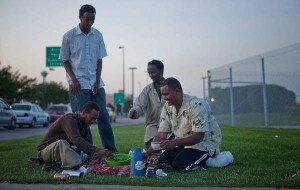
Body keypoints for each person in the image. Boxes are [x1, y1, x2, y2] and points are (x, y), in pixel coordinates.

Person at [59, 4, 117, 152]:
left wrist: (97, 81)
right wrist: (74, 80)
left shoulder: (98, 35)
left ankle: (110, 149)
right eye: (87, 19)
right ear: (80, 17)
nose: (90, 22)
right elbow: (65, 59)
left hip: (95, 83)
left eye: (93, 19)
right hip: (78, 84)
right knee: (82, 119)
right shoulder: (69, 36)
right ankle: (88, 151)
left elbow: (99, 59)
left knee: (103, 115)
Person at [143, 77, 222, 172]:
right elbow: (161, 134)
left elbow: (199, 137)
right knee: (162, 162)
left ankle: (211, 159)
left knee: (179, 164)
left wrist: (174, 142)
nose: (164, 98)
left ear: (177, 91)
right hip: (182, 144)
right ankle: (191, 158)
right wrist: (147, 154)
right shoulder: (167, 107)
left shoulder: (197, 105)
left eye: (167, 94)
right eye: (163, 95)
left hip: (204, 144)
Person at [37, 102, 112, 170]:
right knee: (61, 143)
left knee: (83, 151)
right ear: (83, 112)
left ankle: (62, 164)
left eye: (95, 119)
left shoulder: (85, 125)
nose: (94, 121)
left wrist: (102, 156)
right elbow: (76, 139)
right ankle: (74, 165)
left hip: (61, 152)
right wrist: (98, 150)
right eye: (92, 118)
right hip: (45, 152)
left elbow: (88, 147)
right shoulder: (69, 119)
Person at [128, 60, 168, 149]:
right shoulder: (147, 89)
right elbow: (139, 104)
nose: (151, 75)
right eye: (149, 73)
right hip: (153, 125)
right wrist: (134, 111)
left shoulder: (170, 86)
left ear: (161, 71)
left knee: (168, 150)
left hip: (170, 127)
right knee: (151, 151)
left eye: (153, 72)